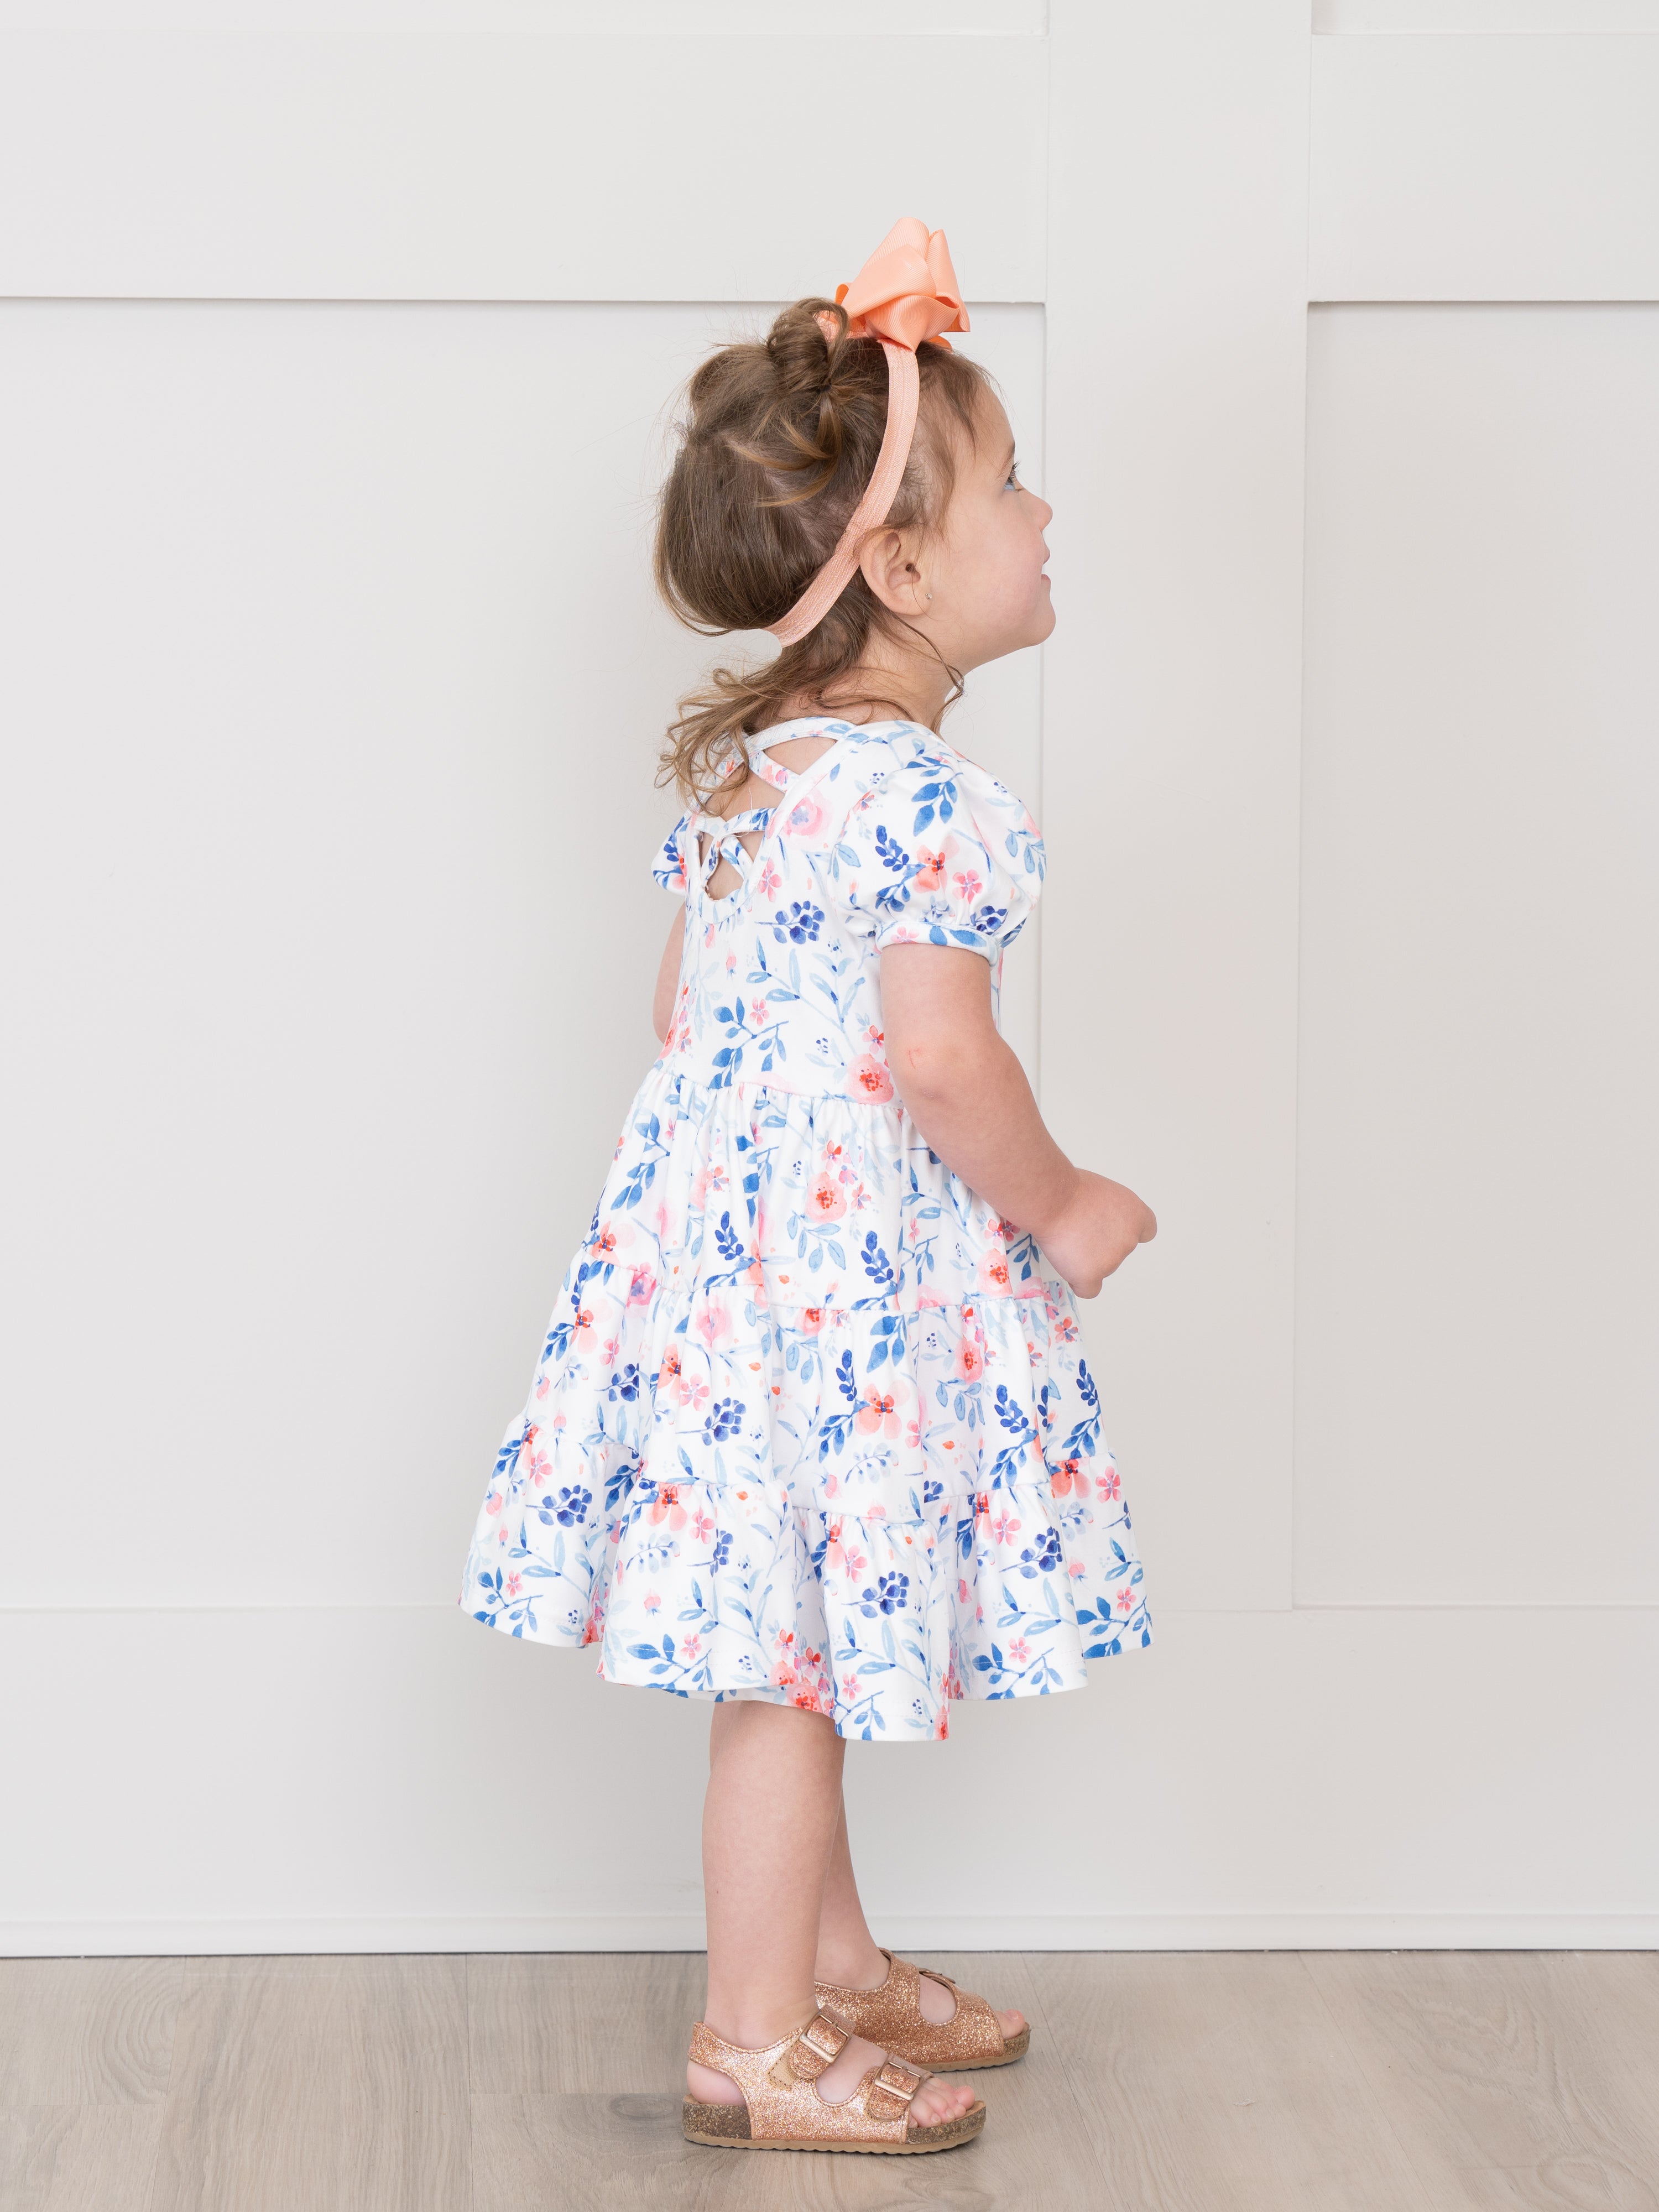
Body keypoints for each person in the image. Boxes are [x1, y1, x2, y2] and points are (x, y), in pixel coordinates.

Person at [458, 219, 1157, 2157]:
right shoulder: (929, 802)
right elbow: (940, 1061)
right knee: (786, 1679)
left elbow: (681, 1016)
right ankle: (754, 2040)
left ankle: (831, 1963)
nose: (1045, 514)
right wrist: (1064, 1205)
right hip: (838, 1299)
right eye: (1010, 487)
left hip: (722, 1286)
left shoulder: (756, 778)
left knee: (804, 1639)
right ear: (906, 570)